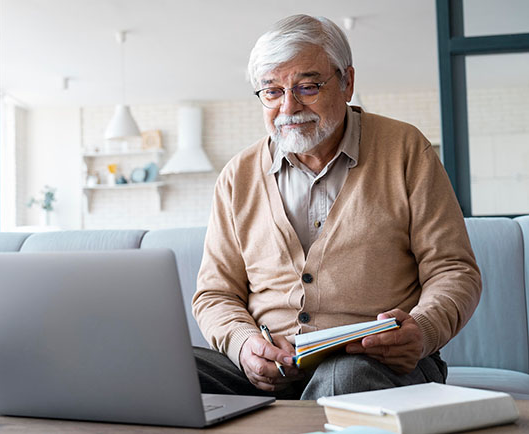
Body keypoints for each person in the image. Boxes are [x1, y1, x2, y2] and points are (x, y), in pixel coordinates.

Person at [192, 14, 482, 400]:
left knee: (341, 379)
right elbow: (214, 295)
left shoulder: (406, 150)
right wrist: (245, 345)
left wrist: (422, 329)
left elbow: (454, 269)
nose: (288, 107)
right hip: (271, 366)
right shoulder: (237, 176)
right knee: (166, 370)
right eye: (273, 92)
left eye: (307, 87)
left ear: (347, 82)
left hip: (379, 361)